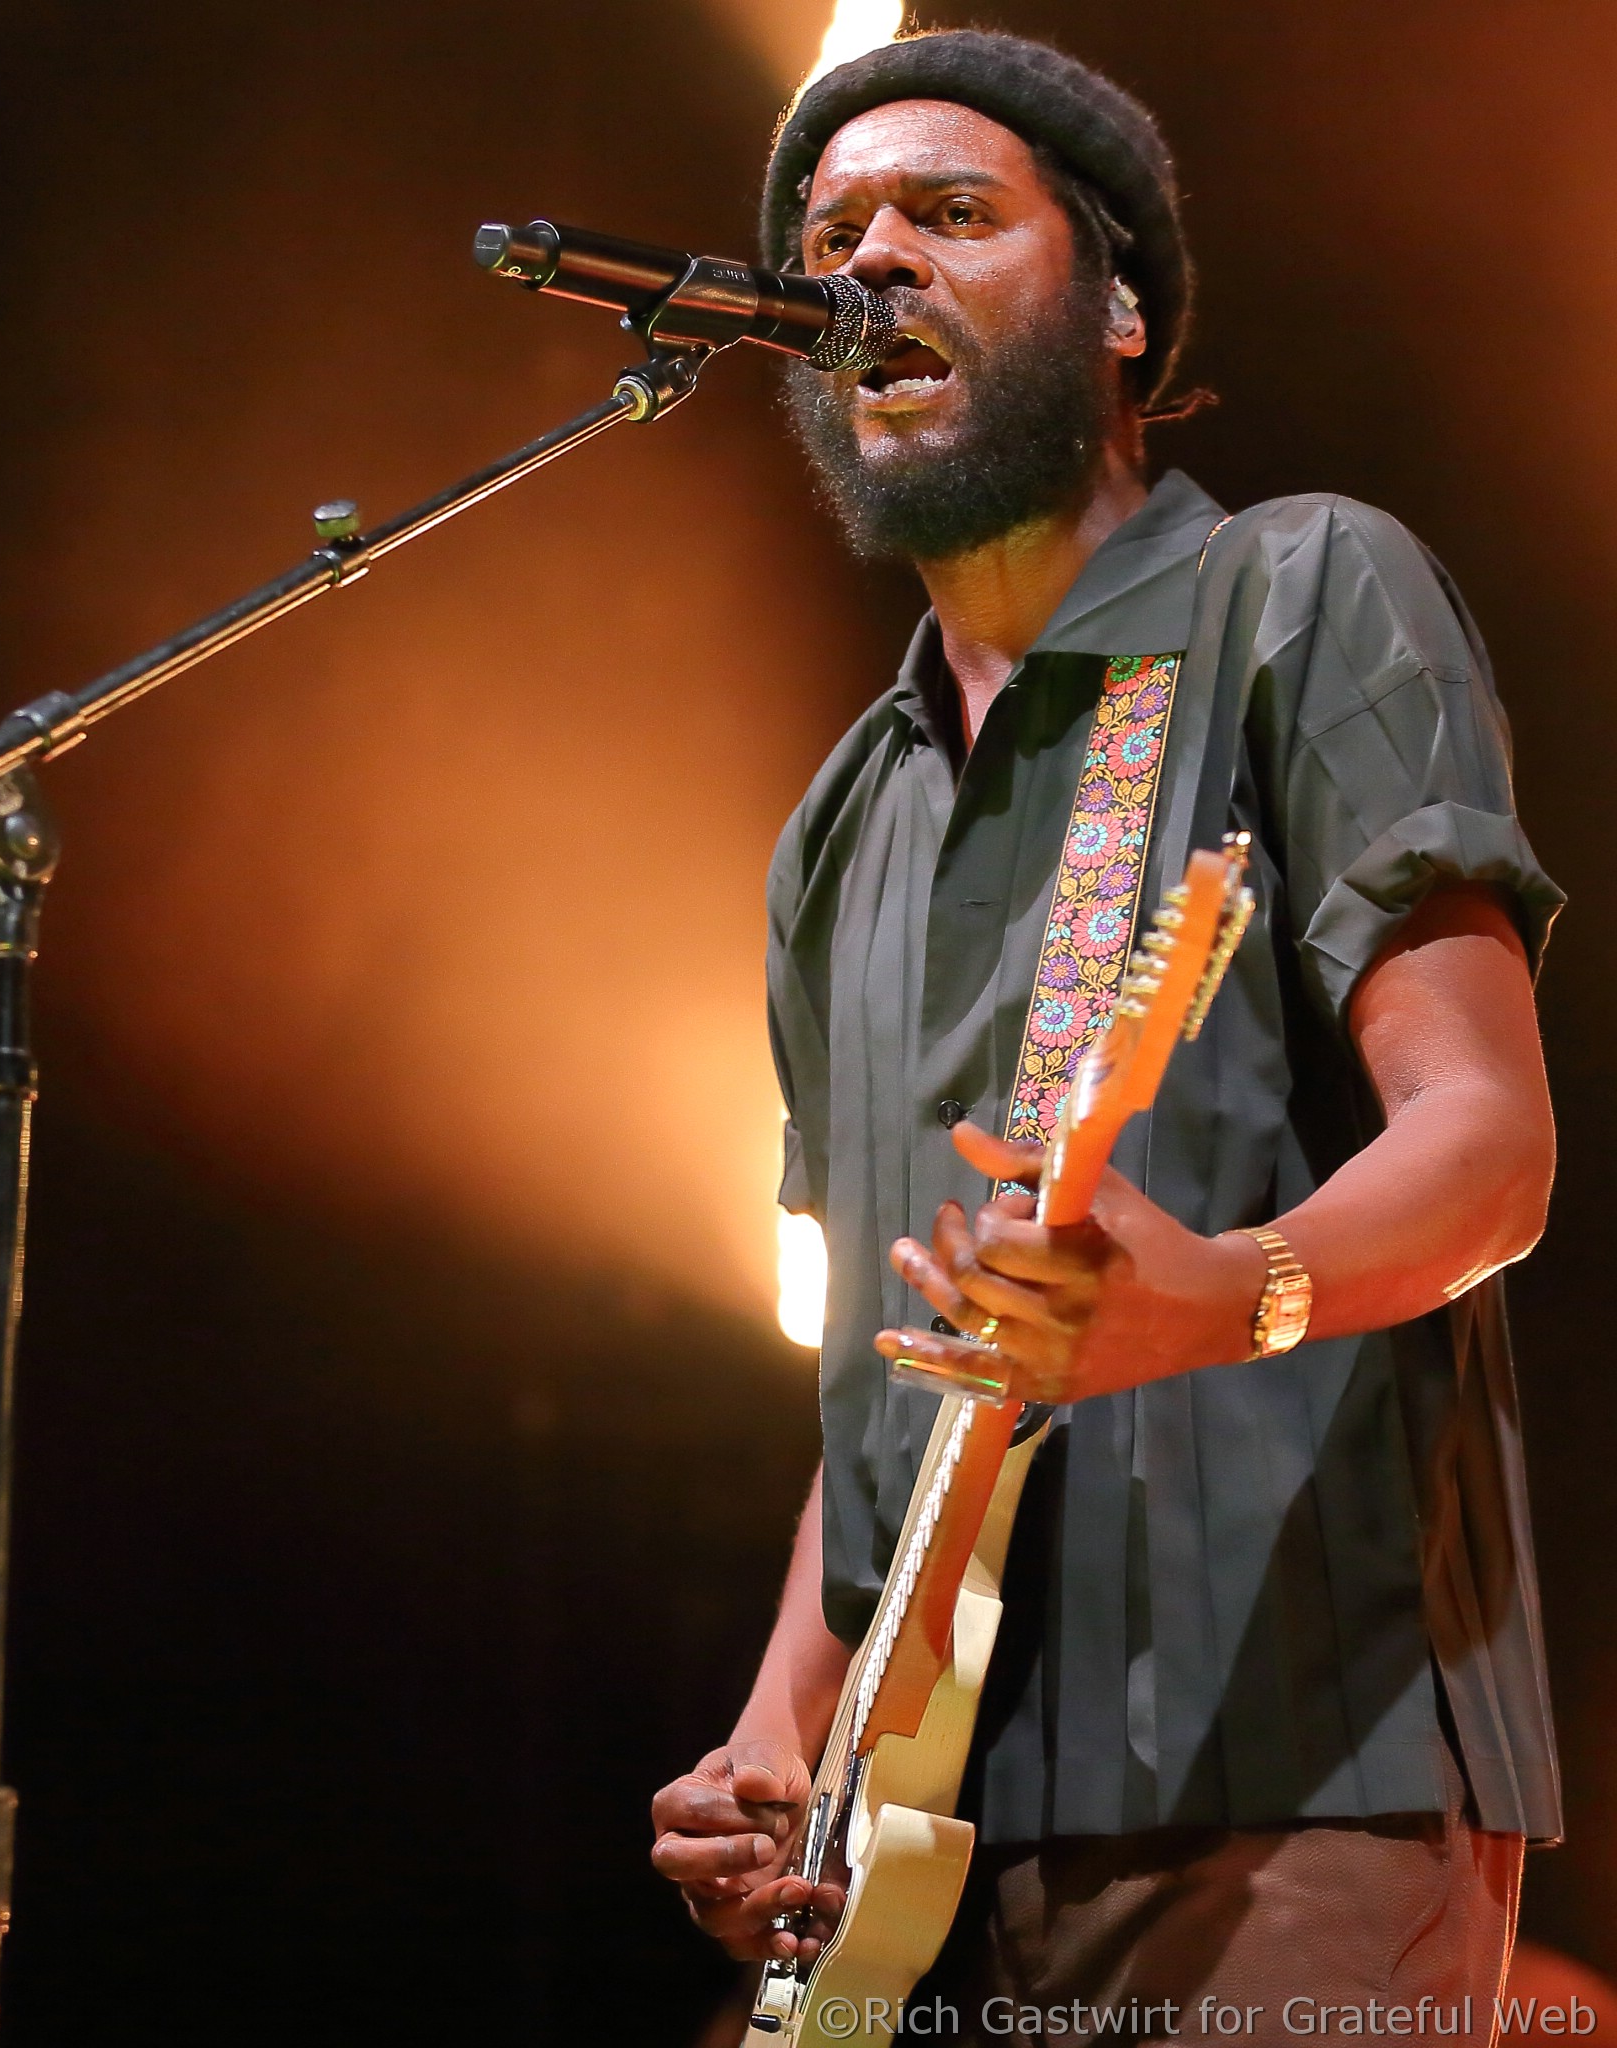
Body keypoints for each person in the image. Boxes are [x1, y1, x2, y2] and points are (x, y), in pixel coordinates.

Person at [649, 29, 1562, 2041]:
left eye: (947, 216)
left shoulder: (1301, 592)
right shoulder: (840, 817)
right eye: (831, 235)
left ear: (1121, 304)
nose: (869, 260)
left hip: (1295, 1777)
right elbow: (892, 1380)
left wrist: (1216, 1297)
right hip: (919, 1858)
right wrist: (774, 1731)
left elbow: (1493, 1145)